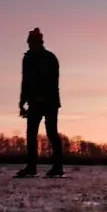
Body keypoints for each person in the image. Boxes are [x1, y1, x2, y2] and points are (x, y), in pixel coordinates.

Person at [16, 28, 64, 178]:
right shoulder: (28, 58)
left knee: (51, 133)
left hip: (49, 101)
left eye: (32, 42)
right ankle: (31, 167)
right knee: (31, 134)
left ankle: (57, 166)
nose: (30, 45)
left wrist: (43, 96)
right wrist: (22, 102)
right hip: (34, 102)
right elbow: (25, 81)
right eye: (29, 42)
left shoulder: (49, 58)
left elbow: (53, 81)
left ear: (38, 42)